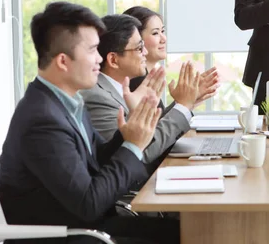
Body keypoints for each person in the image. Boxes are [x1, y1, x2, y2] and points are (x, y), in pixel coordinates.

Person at [0, 2, 179, 244]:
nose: (100, 58)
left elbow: (97, 160)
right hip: (70, 235)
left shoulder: (66, 101)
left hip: (88, 225)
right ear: (63, 61)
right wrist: (133, 146)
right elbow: (89, 204)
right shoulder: (42, 121)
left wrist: (129, 132)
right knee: (186, 235)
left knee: (184, 230)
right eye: (93, 50)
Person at [81, 14, 198, 171]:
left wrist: (185, 102)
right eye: (138, 48)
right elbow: (141, 153)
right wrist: (182, 106)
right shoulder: (97, 97)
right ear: (113, 60)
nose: (145, 52)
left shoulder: (124, 88)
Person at [123, 5, 220, 110]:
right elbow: (160, 126)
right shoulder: (135, 81)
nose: (163, 38)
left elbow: (160, 121)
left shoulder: (145, 77)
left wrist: (189, 99)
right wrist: (183, 103)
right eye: (155, 33)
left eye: (163, 31)